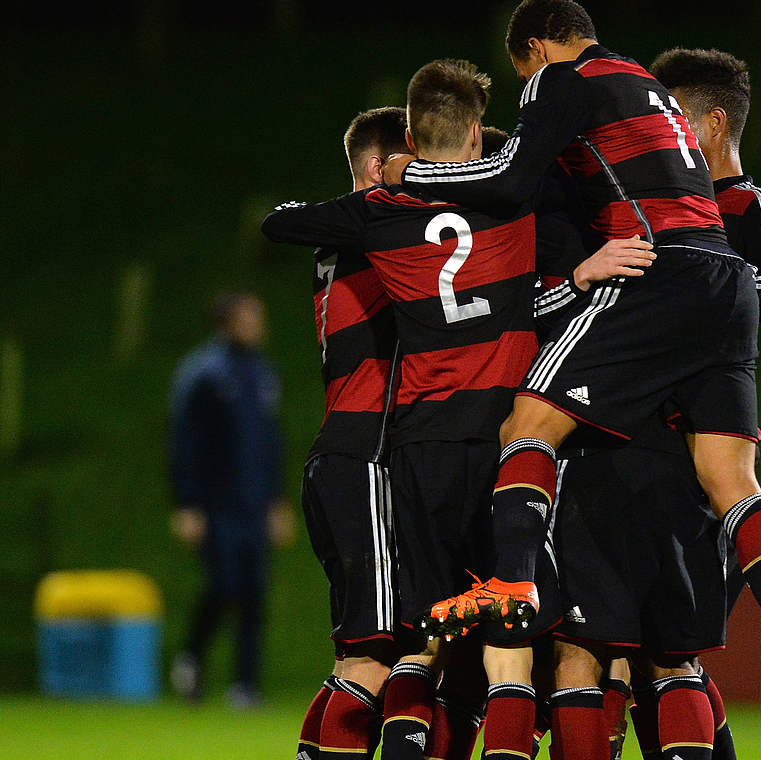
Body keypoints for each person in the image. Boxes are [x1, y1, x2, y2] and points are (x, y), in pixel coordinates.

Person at [385, 5, 761, 757]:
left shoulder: (562, 78)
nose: (529, 90)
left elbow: (510, 179)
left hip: (658, 274)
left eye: (523, 73)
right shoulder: (644, 83)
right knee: (731, 479)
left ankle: (511, 582)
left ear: (533, 48)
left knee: (528, 423)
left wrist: (420, 173)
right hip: (726, 286)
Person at [263, 58, 653, 760]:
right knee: (512, 650)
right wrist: (582, 273)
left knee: (422, 645)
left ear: (410, 137)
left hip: (417, 446)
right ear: (477, 132)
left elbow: (279, 221)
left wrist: (385, 185)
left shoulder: (375, 217)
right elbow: (534, 301)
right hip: (502, 446)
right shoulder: (517, 202)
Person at [293, 106, 407, 760]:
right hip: (366, 457)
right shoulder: (379, 230)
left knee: (353, 655)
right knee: (377, 654)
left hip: (336, 452)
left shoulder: (339, 237)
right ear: (374, 168)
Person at [167, 291, 291, 708]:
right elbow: (185, 442)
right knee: (224, 586)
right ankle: (191, 659)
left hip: (255, 503)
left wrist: (278, 500)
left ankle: (245, 685)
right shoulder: (203, 373)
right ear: (227, 321)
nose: (259, 324)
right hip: (216, 505)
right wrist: (187, 503)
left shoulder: (262, 372)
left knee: (255, 593)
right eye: (250, 316)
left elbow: (272, 443)